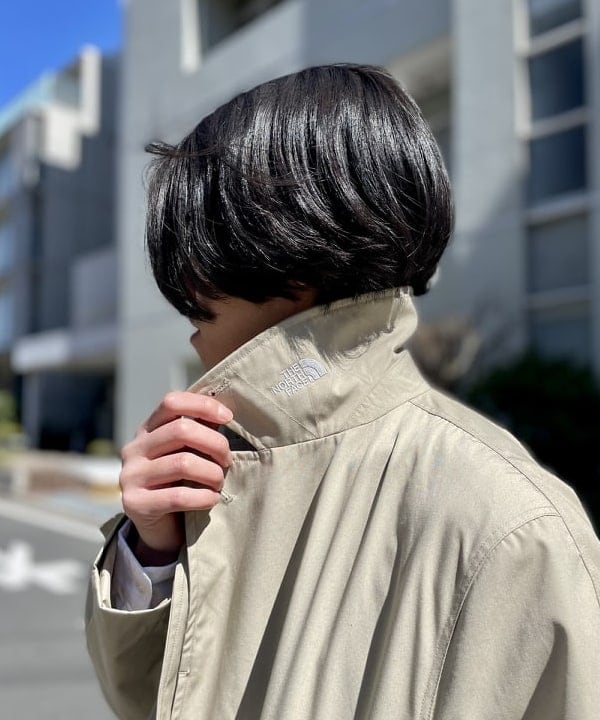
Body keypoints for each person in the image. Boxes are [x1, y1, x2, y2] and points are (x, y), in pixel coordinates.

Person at [86, 64, 600, 720]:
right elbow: (151, 699)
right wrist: (151, 553)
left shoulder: (515, 527)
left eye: (201, 254)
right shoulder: (222, 463)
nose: (186, 302)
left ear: (290, 250)